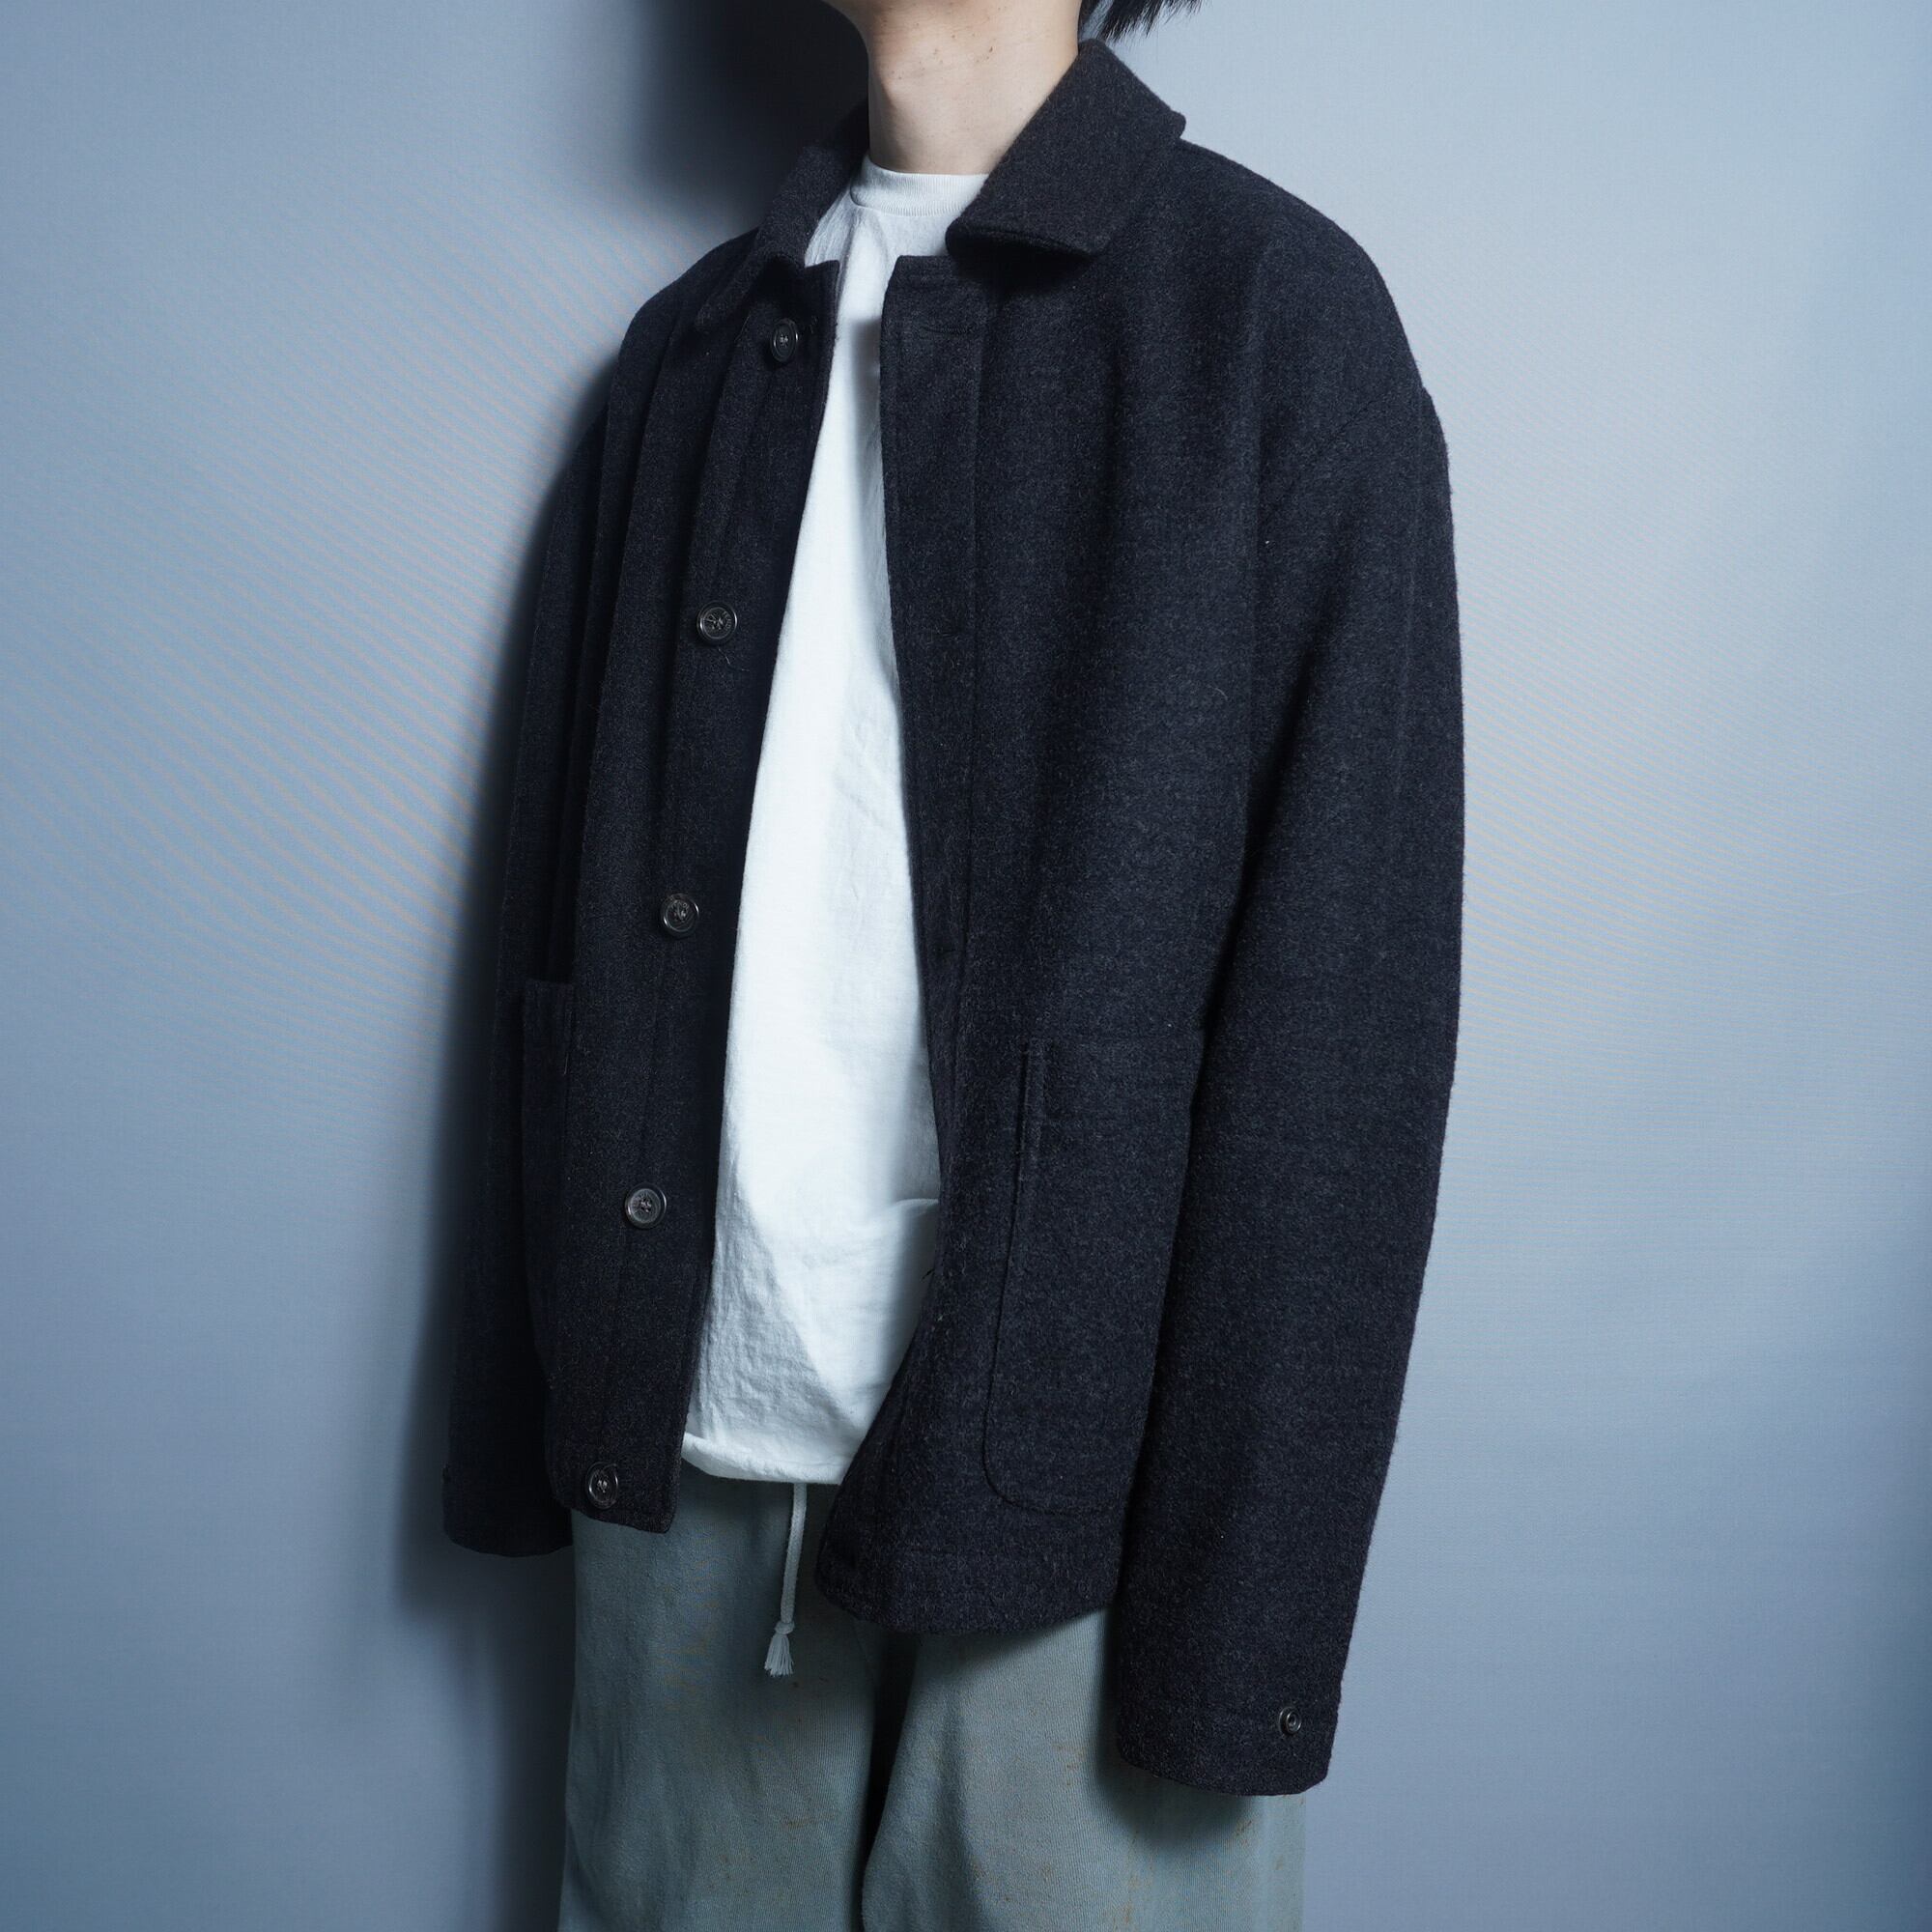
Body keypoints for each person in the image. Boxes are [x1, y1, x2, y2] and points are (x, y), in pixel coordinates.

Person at [440, 0, 1463, 1923]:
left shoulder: (1271, 322)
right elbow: (549, 935)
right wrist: (529, 1425)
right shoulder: (688, 357)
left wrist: (1244, 1613)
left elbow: (1343, 1027)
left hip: (1082, 1491)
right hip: (683, 1429)